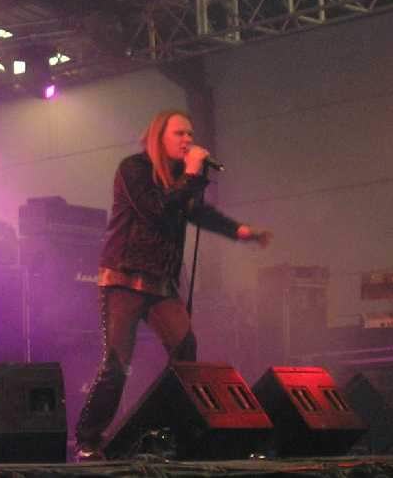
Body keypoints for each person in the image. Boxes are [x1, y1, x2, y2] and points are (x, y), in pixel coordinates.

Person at [74, 110, 271, 460]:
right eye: (180, 133)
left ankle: (168, 432)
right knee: (117, 364)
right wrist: (193, 174)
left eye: (190, 134)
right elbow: (157, 209)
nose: (188, 140)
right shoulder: (133, 169)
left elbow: (197, 212)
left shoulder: (181, 179)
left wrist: (239, 231)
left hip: (161, 283)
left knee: (186, 354)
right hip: (124, 278)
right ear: (158, 137)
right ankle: (87, 440)